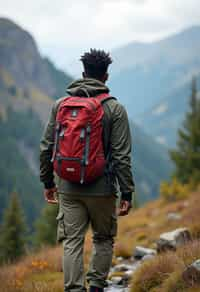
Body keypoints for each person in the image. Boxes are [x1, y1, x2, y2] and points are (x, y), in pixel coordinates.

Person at [40, 49, 135, 292]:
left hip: (68, 187)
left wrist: (48, 182)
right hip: (102, 189)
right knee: (103, 238)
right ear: (106, 77)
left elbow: (46, 147)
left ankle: (73, 289)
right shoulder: (114, 109)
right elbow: (122, 156)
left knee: (72, 241)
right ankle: (95, 287)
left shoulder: (61, 105)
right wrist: (126, 193)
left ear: (83, 74)